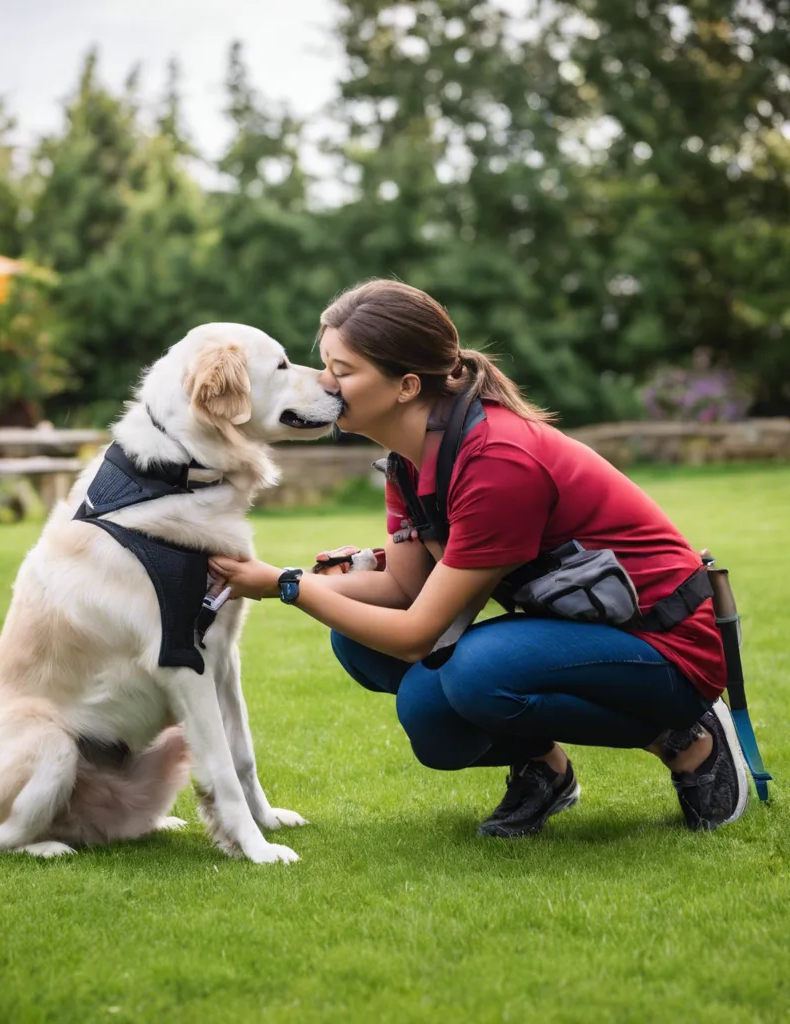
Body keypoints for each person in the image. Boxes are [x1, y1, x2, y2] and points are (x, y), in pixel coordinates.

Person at [211, 279, 749, 837]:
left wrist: (288, 587)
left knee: (477, 674)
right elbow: (403, 590)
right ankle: (545, 769)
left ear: (406, 386)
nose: (323, 382)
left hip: (666, 642)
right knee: (410, 698)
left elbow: (417, 632)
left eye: (341, 370)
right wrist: (300, 577)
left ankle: (687, 737)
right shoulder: (408, 459)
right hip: (582, 626)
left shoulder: (497, 458)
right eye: (325, 364)